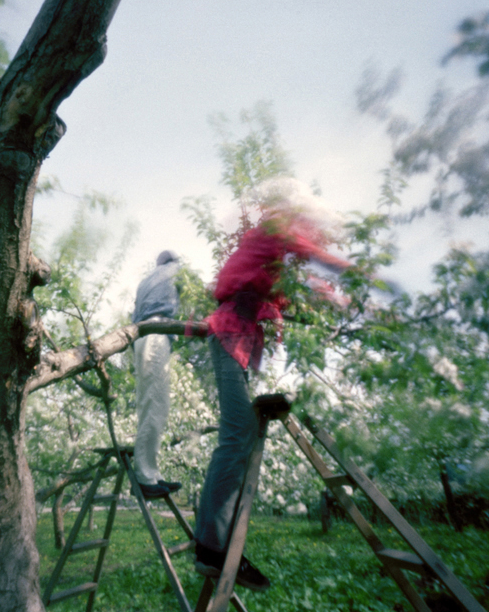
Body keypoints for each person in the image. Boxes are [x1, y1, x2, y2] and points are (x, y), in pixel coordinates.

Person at [194, 207, 349, 591]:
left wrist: (336, 298)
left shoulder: (275, 269)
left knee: (241, 440)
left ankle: (219, 543)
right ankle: (212, 549)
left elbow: (298, 290)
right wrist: (356, 274)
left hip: (245, 344)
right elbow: (310, 251)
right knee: (235, 438)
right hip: (231, 335)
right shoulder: (275, 229)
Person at [131, 250, 184, 499]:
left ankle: (152, 473)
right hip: (155, 335)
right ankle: (145, 476)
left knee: (153, 405)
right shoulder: (174, 272)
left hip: (144, 337)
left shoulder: (146, 280)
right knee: (155, 405)